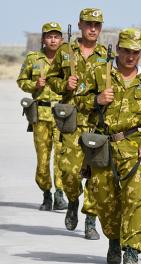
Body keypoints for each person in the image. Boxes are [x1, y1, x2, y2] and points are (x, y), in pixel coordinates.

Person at [82, 28, 141, 264]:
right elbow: (77, 99)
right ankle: (114, 241)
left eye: (135, 52)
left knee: (134, 200)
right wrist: (95, 100)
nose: (130, 56)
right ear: (117, 48)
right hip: (101, 146)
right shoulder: (100, 72)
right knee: (105, 200)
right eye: (126, 51)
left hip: (132, 147)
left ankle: (131, 250)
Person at [46, 8, 107, 240]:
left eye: (97, 25)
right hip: (71, 122)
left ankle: (90, 221)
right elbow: (51, 78)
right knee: (69, 173)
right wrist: (65, 85)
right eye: (89, 24)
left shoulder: (105, 55)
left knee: (95, 175)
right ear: (80, 25)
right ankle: (72, 201)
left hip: (96, 122)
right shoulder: (65, 51)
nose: (93, 28)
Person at [17, 22, 68, 211]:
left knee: (62, 157)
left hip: (62, 115)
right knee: (43, 158)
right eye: (49, 36)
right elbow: (21, 81)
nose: (53, 40)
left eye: (56, 36)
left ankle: (60, 194)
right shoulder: (33, 58)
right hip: (40, 114)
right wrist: (34, 85)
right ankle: (46, 193)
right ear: (43, 39)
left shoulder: (67, 59)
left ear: (61, 39)